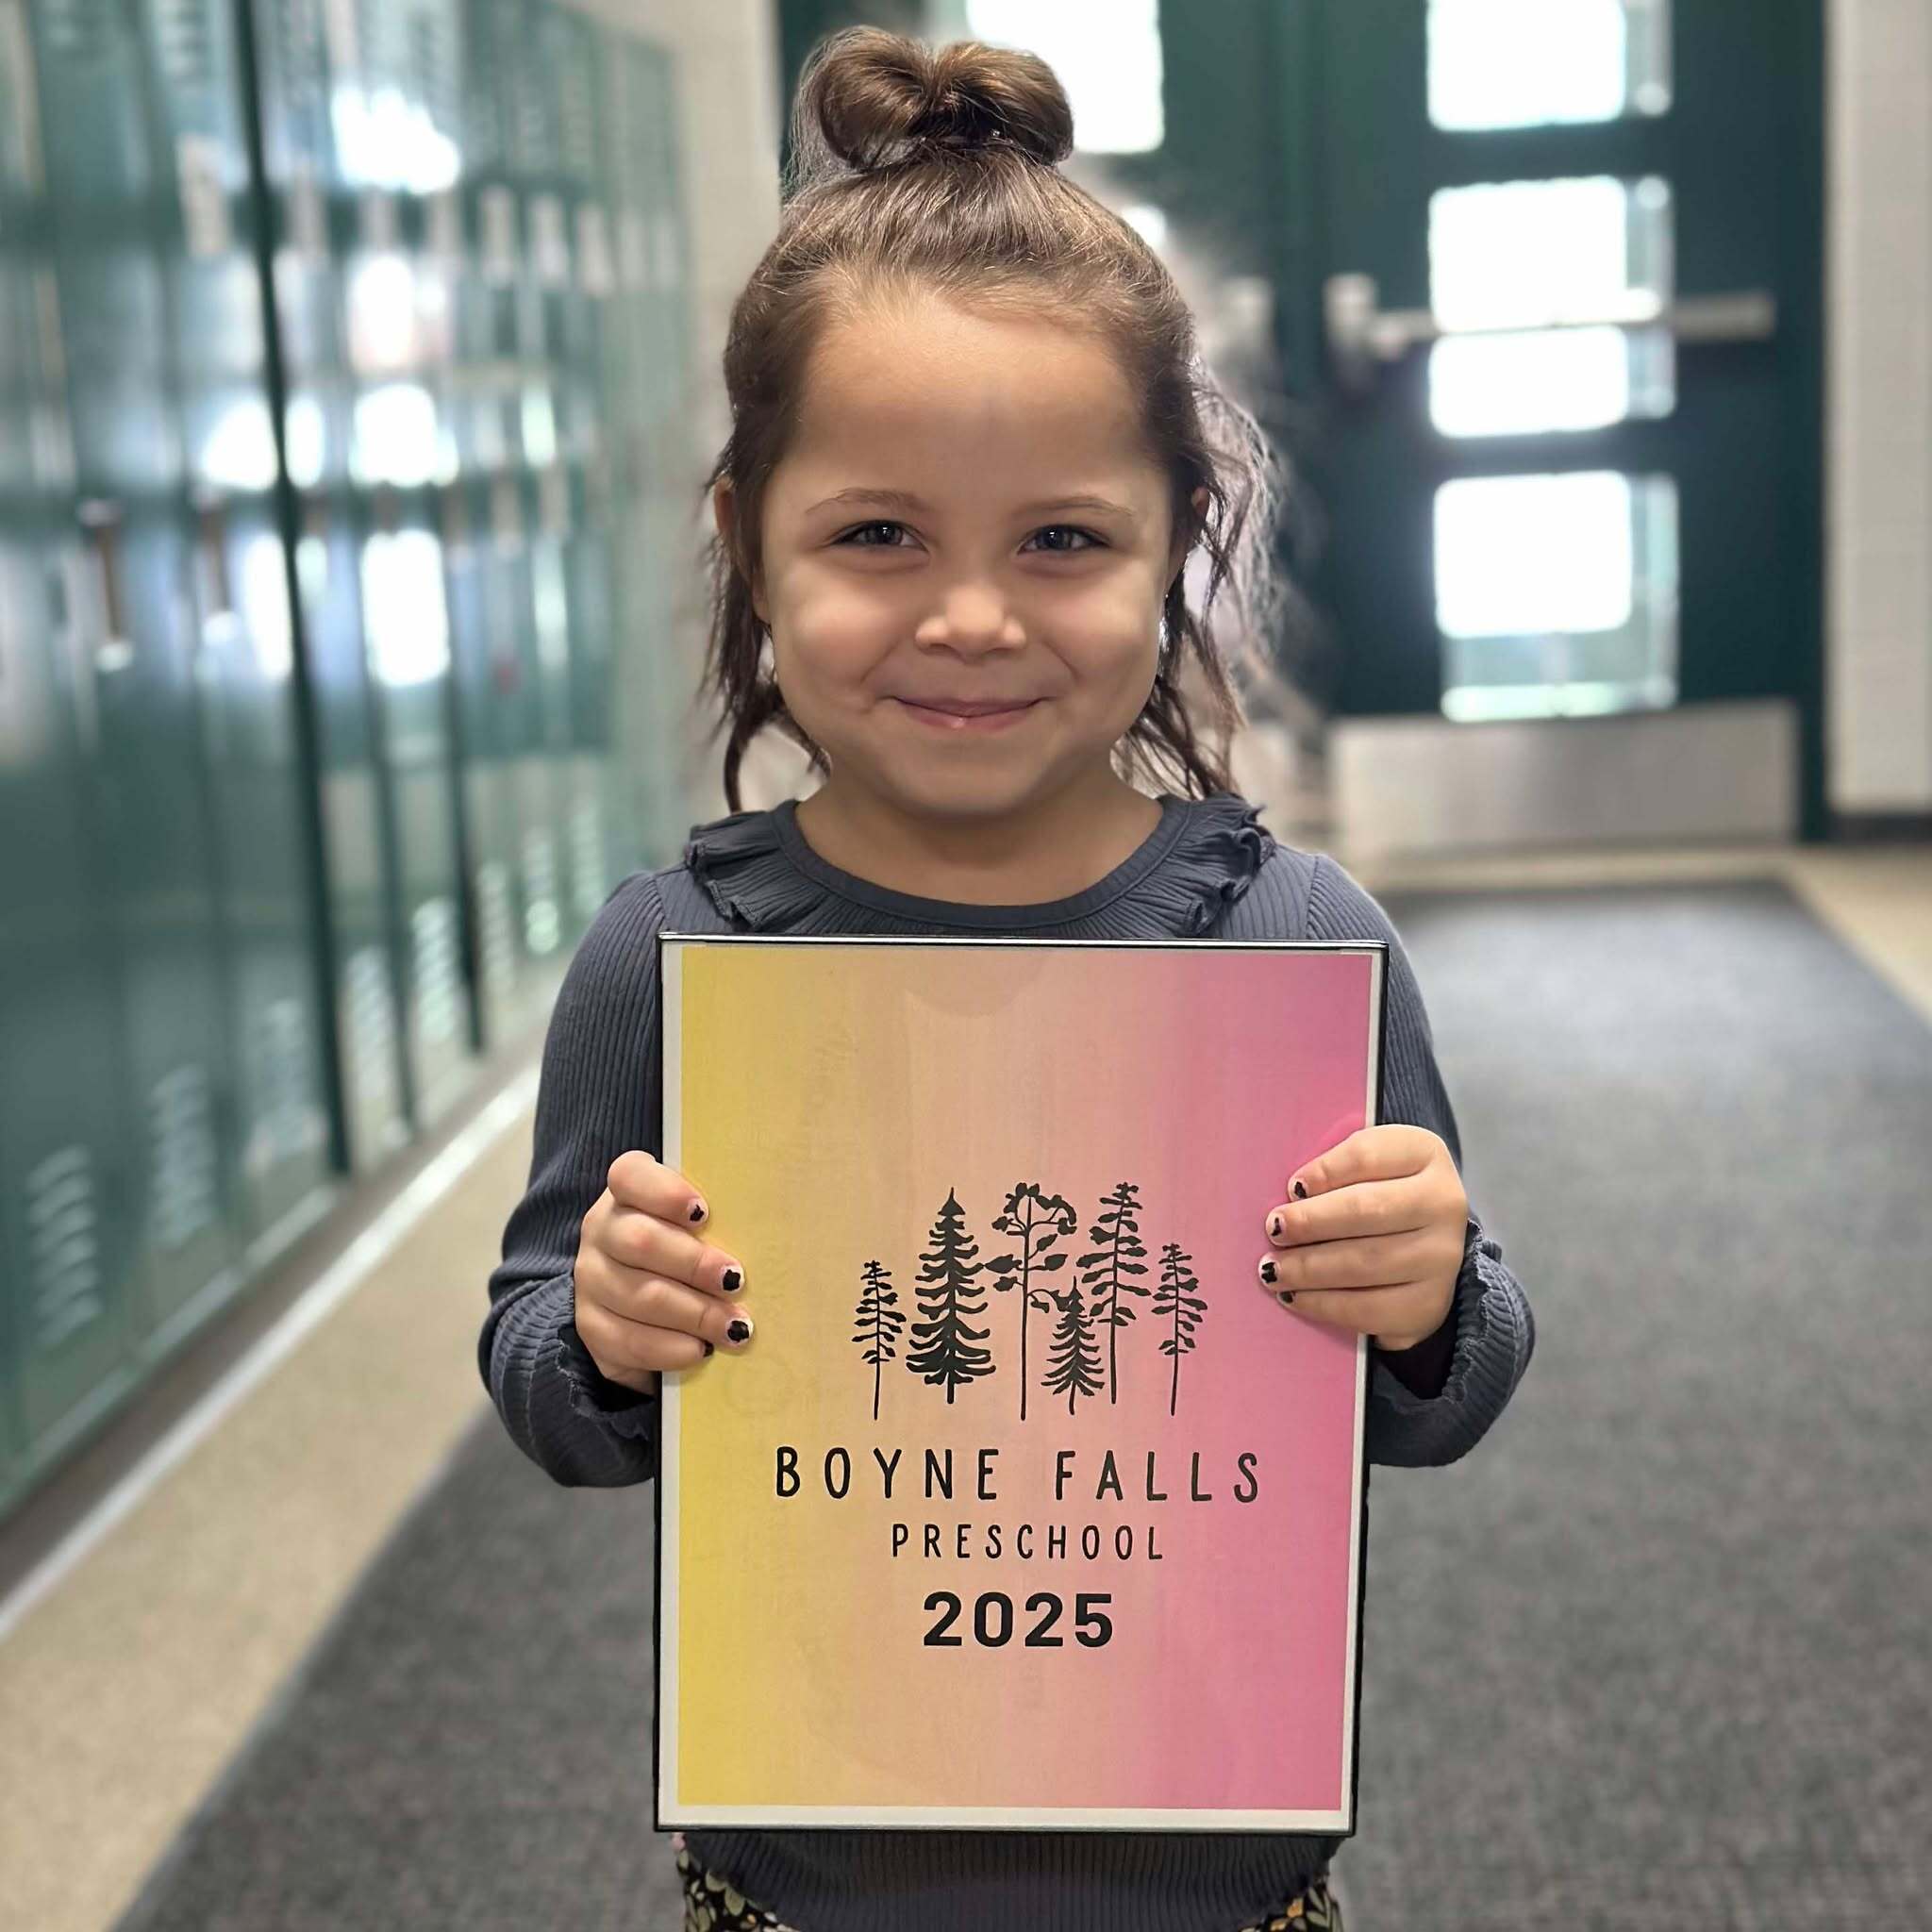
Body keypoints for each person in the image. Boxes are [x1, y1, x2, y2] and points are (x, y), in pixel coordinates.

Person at [480, 26, 1536, 1932]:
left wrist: (1431, 1289)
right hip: (806, 1879)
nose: (970, 615)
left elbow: (1436, 1393)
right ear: (750, 544)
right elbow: (544, 1377)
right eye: (876, 535)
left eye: (1061, 541)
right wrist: (607, 1330)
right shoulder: (675, 957)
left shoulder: (1299, 943)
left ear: (1175, 548)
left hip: (1215, 1880)